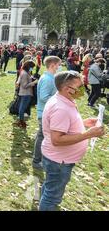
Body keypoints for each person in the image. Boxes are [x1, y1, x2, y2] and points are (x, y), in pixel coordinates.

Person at [39, 71, 105, 211]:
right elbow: (57, 139)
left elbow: (64, 126)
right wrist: (87, 134)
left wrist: (83, 123)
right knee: (52, 197)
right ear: (67, 89)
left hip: (57, 159)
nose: (83, 89)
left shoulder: (65, 100)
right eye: (80, 86)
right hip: (59, 162)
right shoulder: (61, 108)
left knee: (49, 187)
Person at [32, 56, 61, 170]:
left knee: (41, 136)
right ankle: (36, 160)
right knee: (42, 136)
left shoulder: (50, 77)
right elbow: (44, 97)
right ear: (53, 65)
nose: (59, 67)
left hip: (46, 112)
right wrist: (58, 98)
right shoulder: (47, 79)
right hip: (44, 112)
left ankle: (38, 157)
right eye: (58, 65)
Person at [15, 60, 38, 128]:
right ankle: (21, 122)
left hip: (25, 93)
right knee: (22, 108)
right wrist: (34, 83)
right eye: (32, 67)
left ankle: (20, 120)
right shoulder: (24, 74)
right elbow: (24, 85)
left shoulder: (25, 72)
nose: (32, 69)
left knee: (22, 108)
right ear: (29, 66)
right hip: (26, 93)